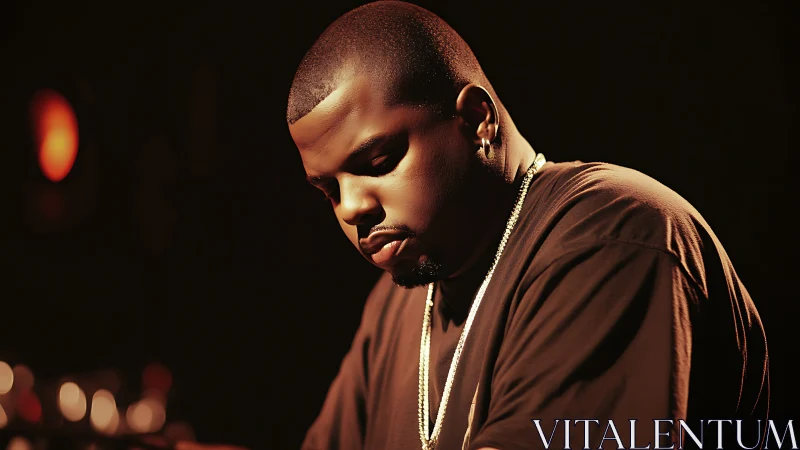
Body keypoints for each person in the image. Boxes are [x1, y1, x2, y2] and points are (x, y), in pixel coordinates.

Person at [184, 1, 770, 449]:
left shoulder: (614, 238)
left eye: (377, 162)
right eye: (329, 189)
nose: (351, 208)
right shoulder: (396, 304)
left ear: (476, 120)